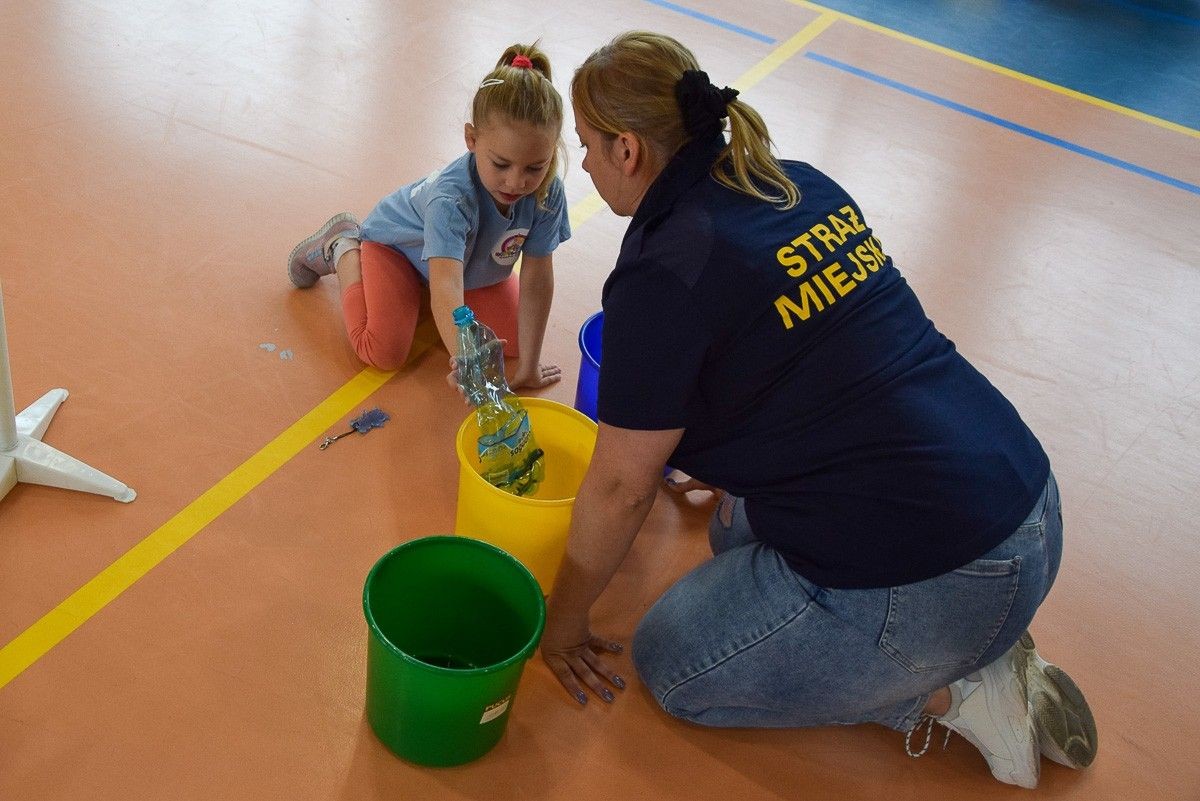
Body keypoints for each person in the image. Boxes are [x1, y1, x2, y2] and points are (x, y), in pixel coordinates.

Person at [540, 31, 1097, 790]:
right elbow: (825, 356)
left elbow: (619, 487)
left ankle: (959, 688)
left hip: (948, 576)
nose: (588, 164)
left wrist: (562, 621)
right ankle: (977, 637)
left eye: (590, 147)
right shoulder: (797, 183)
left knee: (674, 662)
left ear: (629, 150)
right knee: (734, 524)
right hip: (1027, 501)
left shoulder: (662, 272)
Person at [286, 44, 569, 391]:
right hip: (398, 250)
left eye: (534, 167)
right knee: (383, 351)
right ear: (471, 139)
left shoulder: (547, 192)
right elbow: (447, 288)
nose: (516, 181)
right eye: (501, 164)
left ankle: (409, 297)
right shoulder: (451, 199)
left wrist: (530, 364)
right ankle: (343, 246)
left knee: (518, 341)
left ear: (550, 154)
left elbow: (538, 277)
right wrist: (466, 363)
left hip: (465, 268)